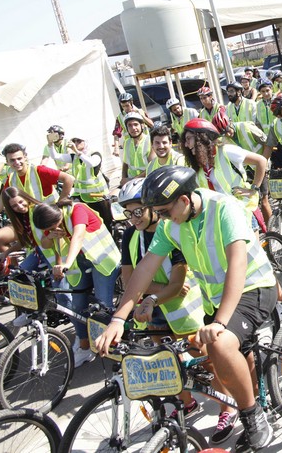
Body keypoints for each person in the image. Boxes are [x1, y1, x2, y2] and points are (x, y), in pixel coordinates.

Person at [95, 166, 277, 450]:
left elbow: (237, 267)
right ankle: (252, 393)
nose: (162, 218)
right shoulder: (171, 224)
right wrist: (119, 318)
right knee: (230, 353)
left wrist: (220, 323)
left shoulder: (223, 207)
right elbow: (144, 269)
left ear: (183, 200)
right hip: (215, 298)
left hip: (252, 287)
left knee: (220, 345)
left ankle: (253, 416)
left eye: (165, 211)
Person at [115, 178, 206, 422]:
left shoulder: (171, 230)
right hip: (152, 310)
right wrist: (154, 289)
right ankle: (188, 404)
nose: (134, 219)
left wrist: (145, 287)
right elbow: (127, 279)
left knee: (203, 357)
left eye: (138, 211)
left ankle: (228, 408)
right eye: (128, 213)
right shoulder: (130, 236)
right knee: (167, 362)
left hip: (183, 310)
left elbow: (177, 282)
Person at [32, 199, 121, 367]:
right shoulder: (52, 221)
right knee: (77, 308)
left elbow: (78, 236)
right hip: (78, 265)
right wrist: (50, 236)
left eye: (52, 227)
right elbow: (43, 244)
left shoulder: (77, 210)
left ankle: (114, 349)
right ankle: (84, 347)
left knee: (103, 307)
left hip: (102, 260)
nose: (52, 230)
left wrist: (65, 263)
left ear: (57, 216)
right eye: (48, 229)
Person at [49, 135, 113, 231]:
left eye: (78, 141)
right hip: (82, 196)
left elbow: (92, 163)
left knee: (106, 221)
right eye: (74, 141)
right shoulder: (74, 157)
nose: (76, 143)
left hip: (97, 196)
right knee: (89, 221)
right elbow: (56, 156)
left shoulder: (95, 154)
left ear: (85, 141)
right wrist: (50, 145)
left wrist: (78, 152)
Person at [113, 93, 153, 157]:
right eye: (123, 106)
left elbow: (151, 125)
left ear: (131, 103)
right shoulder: (120, 117)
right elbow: (116, 133)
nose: (125, 108)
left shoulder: (140, 111)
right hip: (132, 147)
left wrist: (142, 116)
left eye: (127, 105)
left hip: (146, 144)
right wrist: (116, 148)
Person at [120, 112, 152, 184]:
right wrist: (123, 179)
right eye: (129, 126)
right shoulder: (127, 142)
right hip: (131, 181)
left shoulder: (150, 141)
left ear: (142, 126)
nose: (133, 128)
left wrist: (132, 180)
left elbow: (152, 167)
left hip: (147, 180)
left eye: (136, 124)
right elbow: (125, 164)